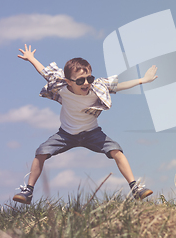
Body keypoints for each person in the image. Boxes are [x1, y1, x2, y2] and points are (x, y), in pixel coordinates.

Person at [13, 44, 157, 204]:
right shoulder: (61, 87)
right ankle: (28, 191)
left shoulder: (97, 88)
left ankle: (135, 187)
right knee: (41, 152)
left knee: (116, 150)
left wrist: (143, 80)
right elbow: (45, 73)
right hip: (65, 134)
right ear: (68, 81)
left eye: (89, 78)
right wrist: (32, 58)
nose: (86, 83)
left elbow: (119, 86)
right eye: (80, 80)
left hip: (92, 133)